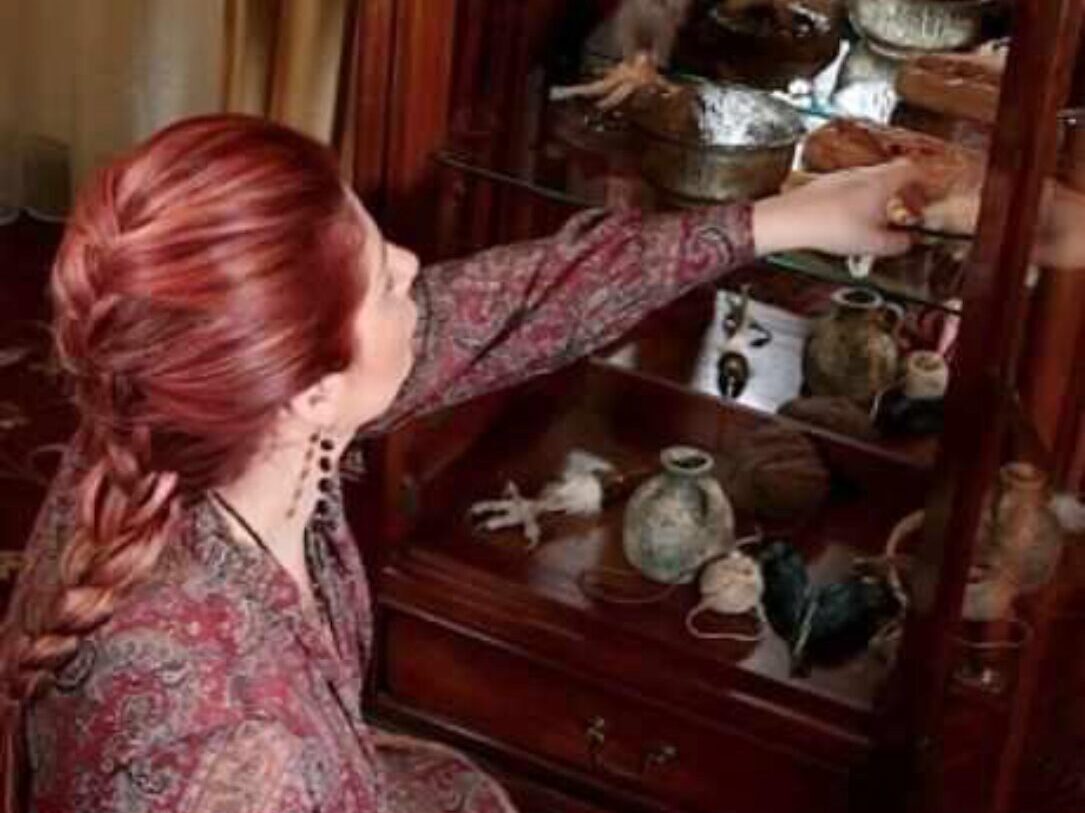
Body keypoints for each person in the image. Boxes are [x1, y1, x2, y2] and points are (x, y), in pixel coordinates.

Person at [0, 115, 921, 813]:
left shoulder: (171, 413)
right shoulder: (241, 757)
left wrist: (783, 219)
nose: (412, 265)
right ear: (310, 390)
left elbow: (514, 302)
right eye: (384, 283)